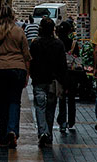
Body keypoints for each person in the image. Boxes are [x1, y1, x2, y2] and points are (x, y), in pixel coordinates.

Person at [0, 4, 31, 149]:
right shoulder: (19, 32)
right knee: (14, 102)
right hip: (17, 69)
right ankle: (12, 130)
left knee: (2, 103)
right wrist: (27, 74)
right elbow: (26, 55)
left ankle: (3, 136)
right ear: (13, 16)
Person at [30, 17, 68, 147]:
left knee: (40, 107)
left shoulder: (35, 44)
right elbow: (63, 65)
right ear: (53, 29)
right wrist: (63, 82)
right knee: (50, 109)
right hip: (53, 81)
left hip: (39, 80)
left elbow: (31, 62)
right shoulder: (59, 44)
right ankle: (49, 134)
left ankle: (42, 132)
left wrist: (32, 75)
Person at [56, 20, 81, 132]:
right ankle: (71, 121)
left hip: (60, 74)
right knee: (71, 98)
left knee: (61, 98)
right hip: (71, 74)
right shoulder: (73, 43)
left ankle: (62, 121)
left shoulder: (57, 43)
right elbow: (78, 59)